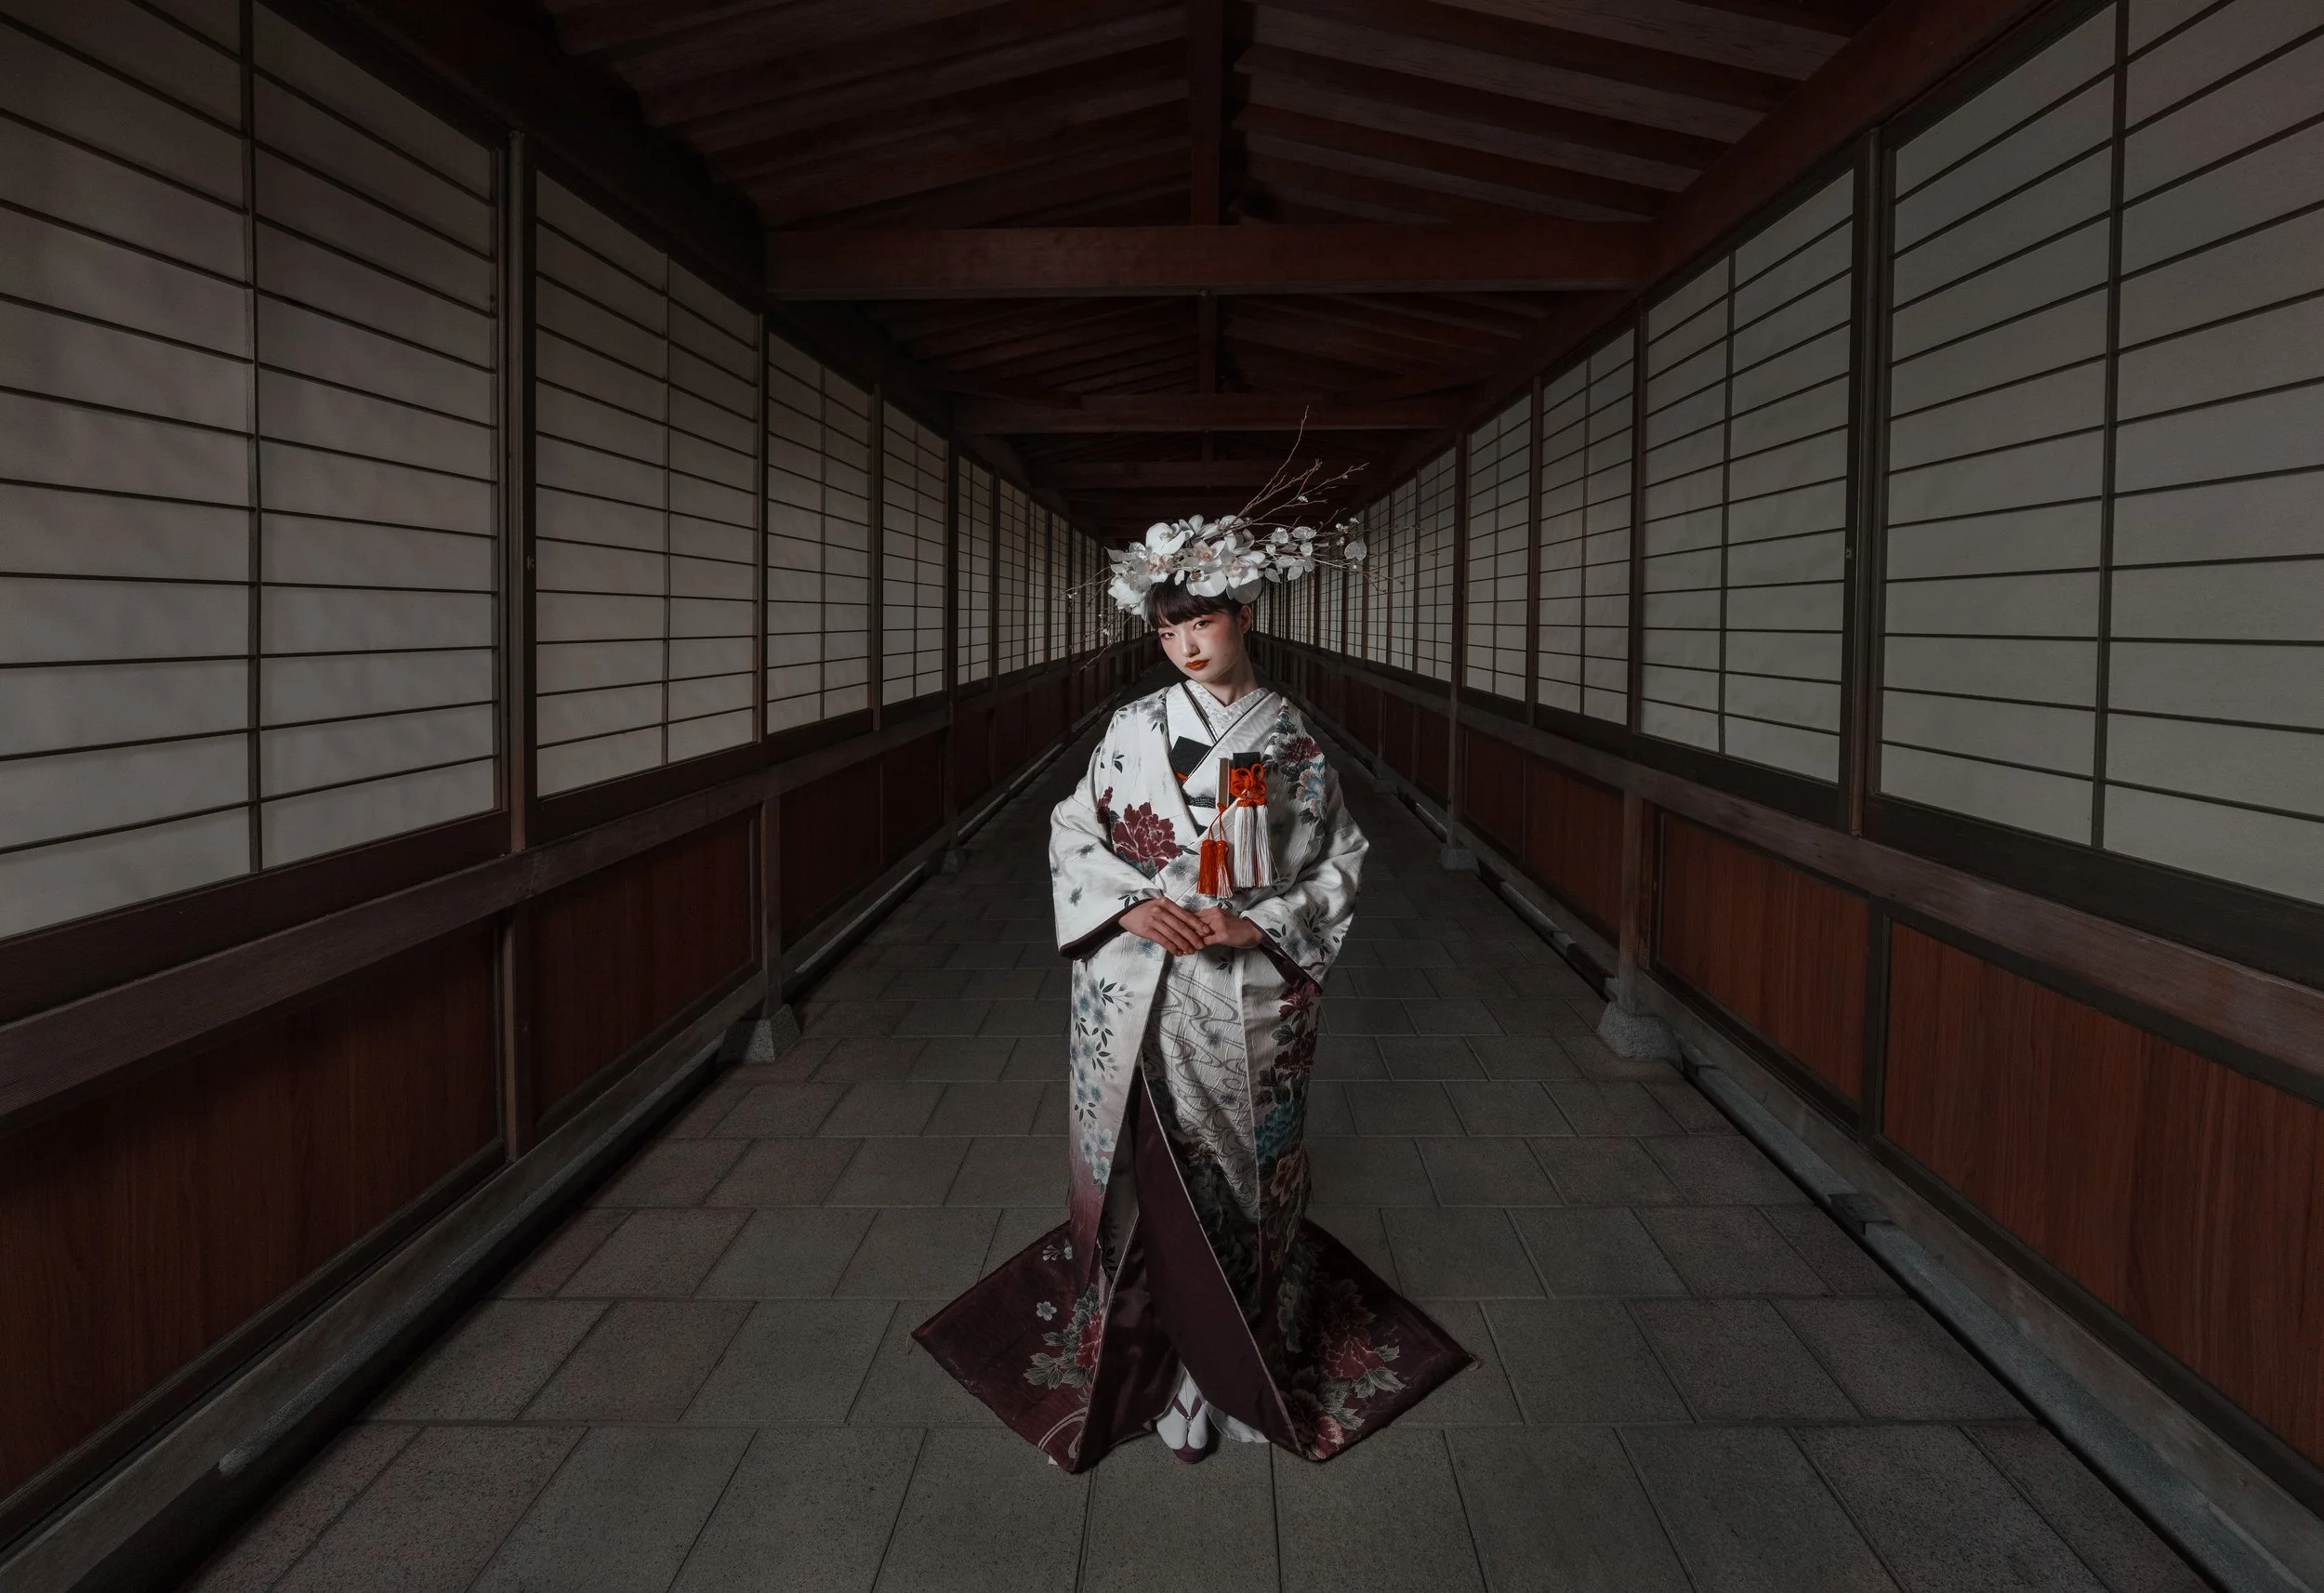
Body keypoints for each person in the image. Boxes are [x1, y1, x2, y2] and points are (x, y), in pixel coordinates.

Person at [916, 517, 1471, 1470]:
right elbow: (1070, 831)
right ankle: (1169, 1364)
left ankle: (1242, 1360)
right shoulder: (1133, 727)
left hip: (1255, 991)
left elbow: (1341, 858)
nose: (1184, 644)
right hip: (1149, 987)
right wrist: (1127, 907)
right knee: (1158, 1170)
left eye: (1200, 623)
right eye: (1167, 631)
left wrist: (1259, 924)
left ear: (1244, 614)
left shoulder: (1292, 738)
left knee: (1251, 1175)